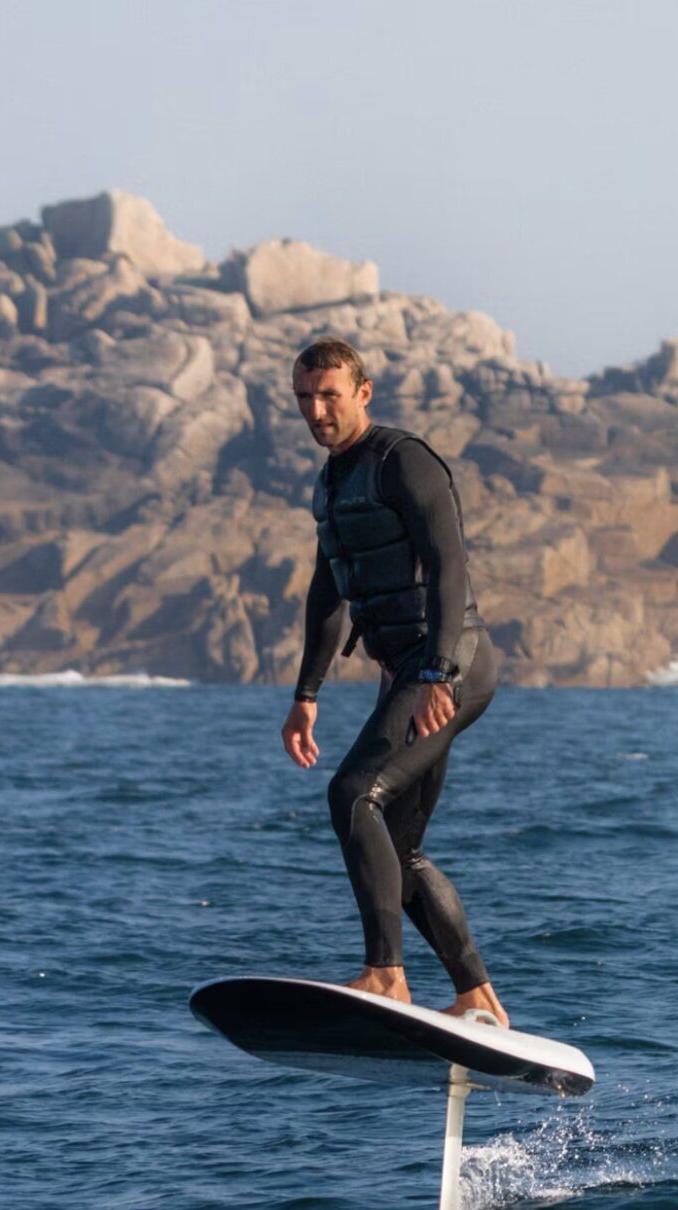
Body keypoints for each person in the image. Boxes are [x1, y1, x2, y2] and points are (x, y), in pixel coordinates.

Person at [279, 337, 509, 1028]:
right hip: (407, 673)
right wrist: (306, 694)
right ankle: (478, 997)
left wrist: (438, 670)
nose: (316, 410)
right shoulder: (330, 481)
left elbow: (449, 568)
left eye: (329, 395)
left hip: (448, 663)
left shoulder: (402, 460)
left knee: (354, 795)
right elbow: (327, 596)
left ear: (364, 392)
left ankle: (386, 974)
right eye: (303, 398)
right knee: (396, 848)